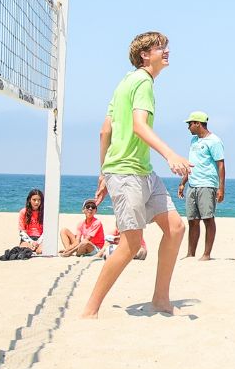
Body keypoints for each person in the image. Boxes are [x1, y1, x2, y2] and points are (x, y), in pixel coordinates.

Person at [80, 31, 191, 319]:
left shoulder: (123, 85)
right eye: (159, 47)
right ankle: (90, 310)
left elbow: (105, 130)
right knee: (130, 243)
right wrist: (170, 154)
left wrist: (103, 171)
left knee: (176, 228)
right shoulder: (142, 81)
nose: (166, 51)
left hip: (139, 171)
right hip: (128, 173)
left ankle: (161, 299)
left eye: (166, 46)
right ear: (144, 55)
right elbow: (139, 126)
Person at [176, 111, 226, 261]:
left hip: (207, 184)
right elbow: (191, 163)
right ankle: (191, 253)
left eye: (190, 124)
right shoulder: (194, 141)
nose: (188, 127)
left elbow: (221, 165)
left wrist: (221, 188)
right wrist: (183, 183)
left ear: (198, 123)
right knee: (192, 220)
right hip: (193, 184)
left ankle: (207, 254)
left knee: (208, 219)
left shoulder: (214, 141)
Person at [18, 188, 45, 254]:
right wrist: (31, 242)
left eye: (39, 200)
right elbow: (22, 232)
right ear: (29, 200)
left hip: (41, 238)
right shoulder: (23, 212)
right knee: (24, 249)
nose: (36, 202)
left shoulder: (44, 213)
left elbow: (46, 231)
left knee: (40, 251)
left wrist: (38, 242)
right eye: (34, 200)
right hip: (27, 238)